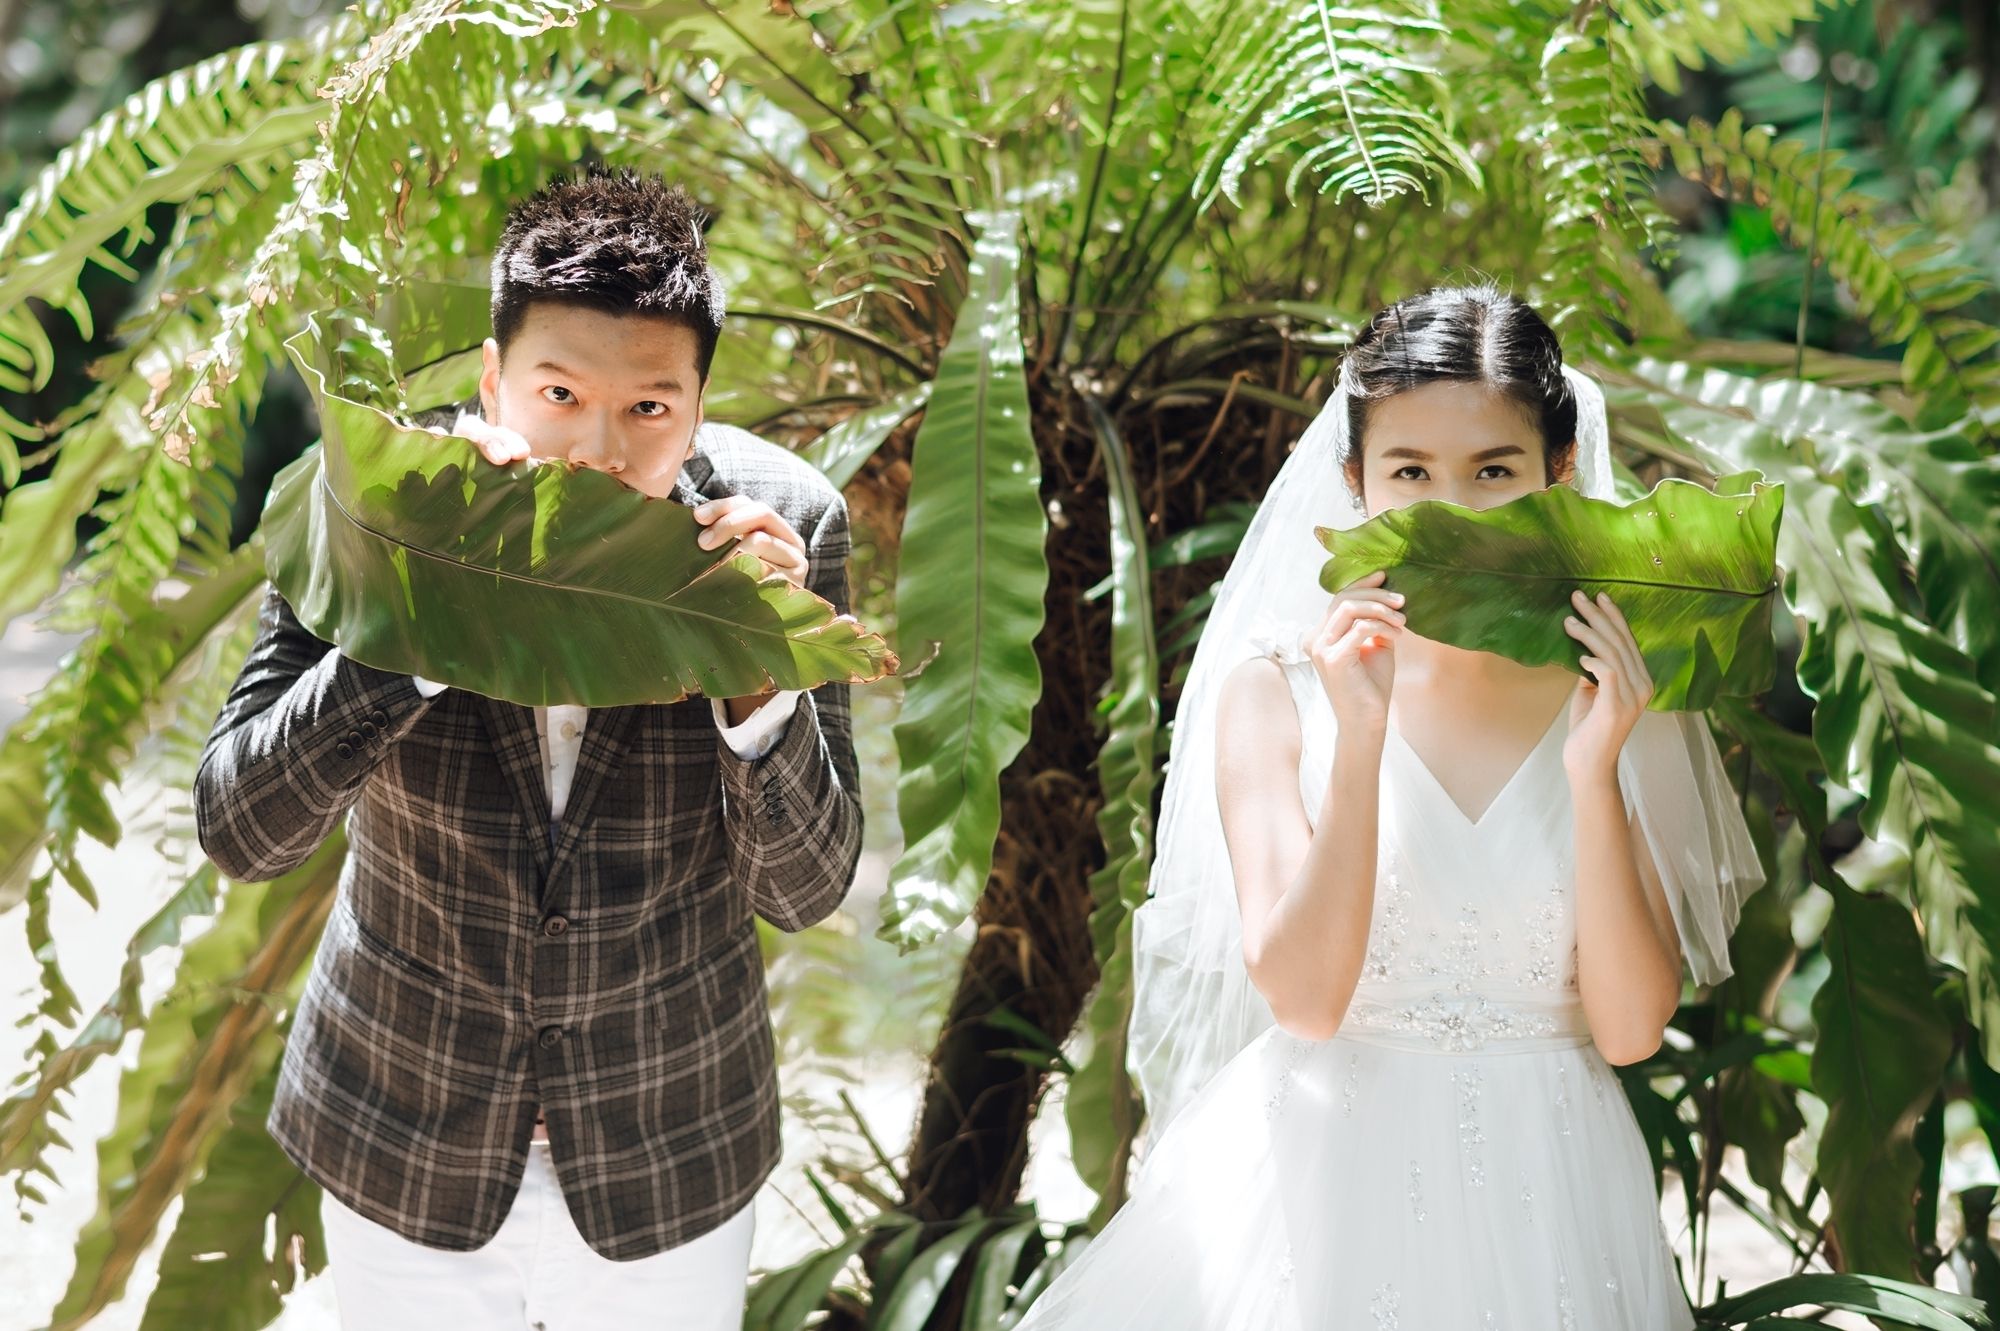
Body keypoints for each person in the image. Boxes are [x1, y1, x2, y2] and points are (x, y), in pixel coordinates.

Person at [193, 169, 863, 1331]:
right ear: (491, 379)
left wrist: (756, 668)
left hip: (669, 1150)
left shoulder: (781, 526)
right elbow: (241, 828)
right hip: (401, 1133)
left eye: (648, 406)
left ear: (698, 404)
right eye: (559, 393)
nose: (599, 448)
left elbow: (804, 889)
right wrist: (418, 624)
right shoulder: (374, 507)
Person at [1017, 284, 1762, 1329]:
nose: (1448, 508)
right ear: (1356, 481)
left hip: (1552, 1191)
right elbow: (1305, 1000)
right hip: (1320, 1196)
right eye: (1410, 470)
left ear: (1557, 472)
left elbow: (1632, 1027)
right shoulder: (1275, 694)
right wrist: (1358, 739)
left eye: (1493, 471)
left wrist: (1594, 772)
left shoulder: (1612, 688)